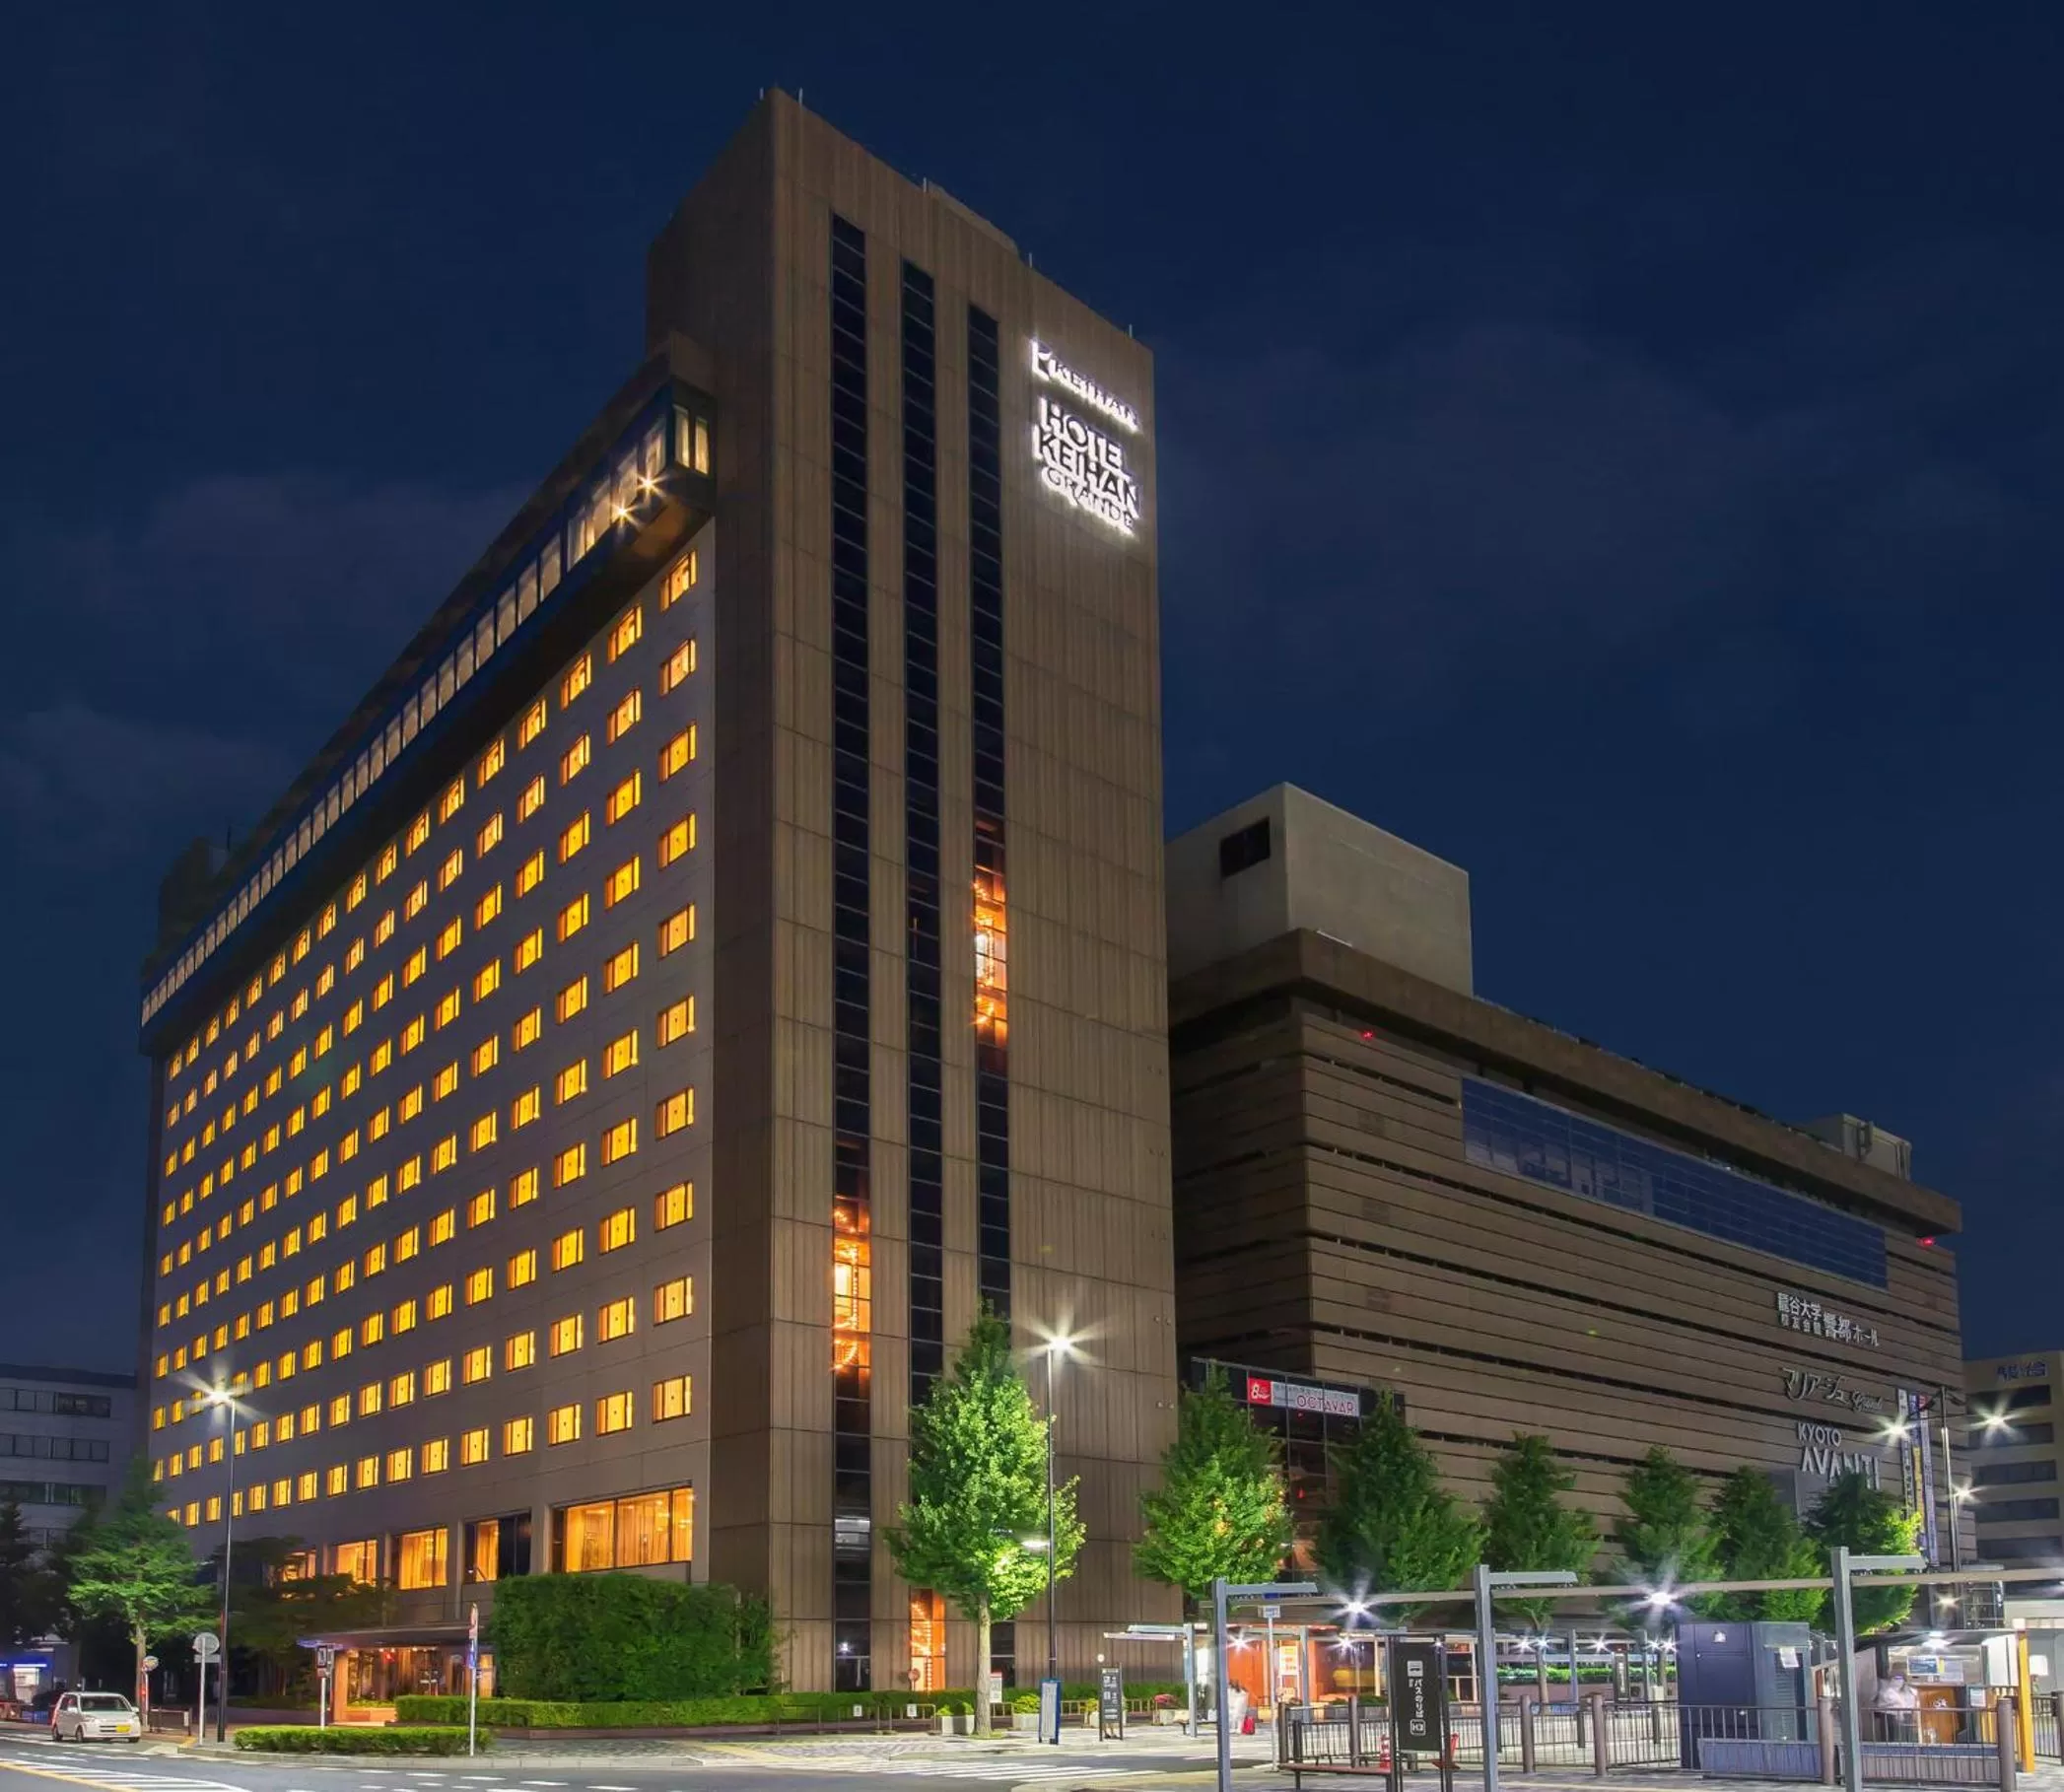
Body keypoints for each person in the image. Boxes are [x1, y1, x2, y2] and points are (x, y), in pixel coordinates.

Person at [1875, 1672, 1919, 1744]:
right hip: (1889, 1716)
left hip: (1907, 1716)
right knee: (1891, 1737)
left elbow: (1914, 1700)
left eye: (1901, 1678)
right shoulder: (1887, 1692)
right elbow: (1887, 1700)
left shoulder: (1910, 1691)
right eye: (1896, 1678)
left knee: (1906, 1736)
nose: (1898, 1681)